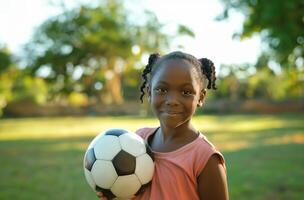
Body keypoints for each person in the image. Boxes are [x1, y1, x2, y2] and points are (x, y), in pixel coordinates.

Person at [97, 51, 229, 200]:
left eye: (186, 92)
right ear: (149, 92)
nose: (172, 100)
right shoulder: (137, 141)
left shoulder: (205, 158)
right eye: (162, 90)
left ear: (201, 97)